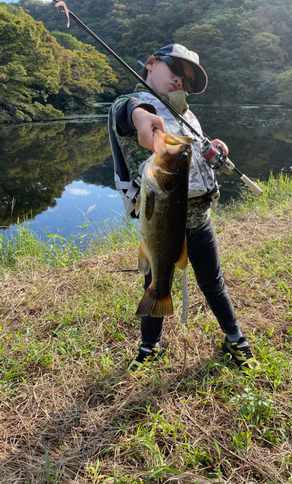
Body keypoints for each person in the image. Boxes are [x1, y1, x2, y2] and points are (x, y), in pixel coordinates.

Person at [108, 44, 260, 377]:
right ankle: (149, 347)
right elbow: (129, 110)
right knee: (156, 281)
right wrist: (141, 115)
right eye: (174, 70)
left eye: (186, 80)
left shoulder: (187, 116)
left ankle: (235, 339)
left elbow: (196, 156)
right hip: (161, 222)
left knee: (214, 283)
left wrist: (214, 149)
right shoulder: (132, 105)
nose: (180, 81)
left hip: (200, 221)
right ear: (150, 63)